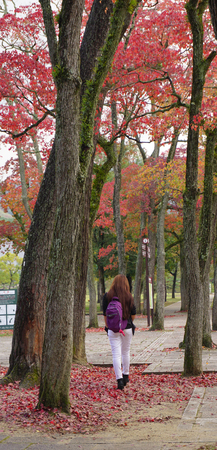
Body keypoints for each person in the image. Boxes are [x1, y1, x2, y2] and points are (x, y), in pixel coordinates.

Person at [103, 274, 136, 390]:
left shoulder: (107, 296)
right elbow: (133, 314)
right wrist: (127, 323)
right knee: (126, 352)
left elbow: (105, 315)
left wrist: (109, 326)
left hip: (113, 329)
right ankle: (126, 375)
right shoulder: (129, 296)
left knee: (115, 354)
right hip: (126, 328)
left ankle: (119, 380)